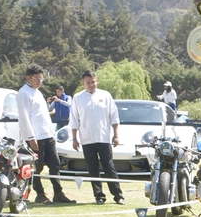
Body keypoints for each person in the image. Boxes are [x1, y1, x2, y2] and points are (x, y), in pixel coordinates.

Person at [17, 63, 75, 205]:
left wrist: (51, 133)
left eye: (41, 79)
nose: (40, 81)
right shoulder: (23, 93)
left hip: (48, 135)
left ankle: (58, 192)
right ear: (28, 78)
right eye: (37, 78)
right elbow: (24, 117)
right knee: (37, 167)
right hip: (35, 137)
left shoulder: (38, 92)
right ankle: (40, 194)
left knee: (55, 164)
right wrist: (31, 138)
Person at [69, 70, 124, 205]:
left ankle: (118, 195)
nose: (91, 85)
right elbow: (74, 120)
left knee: (109, 167)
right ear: (83, 83)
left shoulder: (105, 95)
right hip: (87, 138)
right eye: (88, 82)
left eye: (93, 82)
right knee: (92, 168)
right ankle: (99, 196)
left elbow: (114, 116)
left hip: (104, 137)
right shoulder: (78, 98)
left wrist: (116, 135)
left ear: (97, 81)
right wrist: (74, 139)